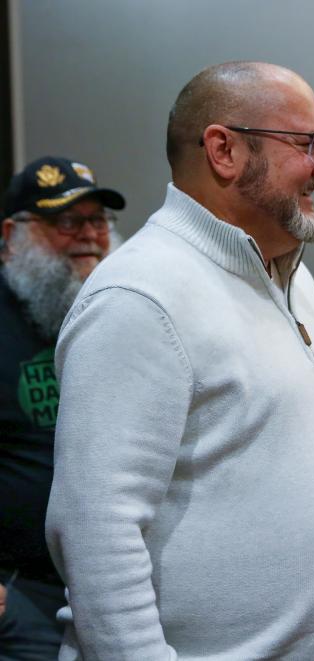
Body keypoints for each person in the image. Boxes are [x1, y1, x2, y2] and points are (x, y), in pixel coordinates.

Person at [44, 61, 314, 660]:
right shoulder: (139, 297)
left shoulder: (291, 275)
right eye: (307, 144)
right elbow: (97, 534)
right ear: (224, 150)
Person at [0, 156, 123, 660]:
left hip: (113, 580)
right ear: (11, 235)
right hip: (22, 592)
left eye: (98, 220)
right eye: (66, 221)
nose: (89, 236)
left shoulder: (118, 311)